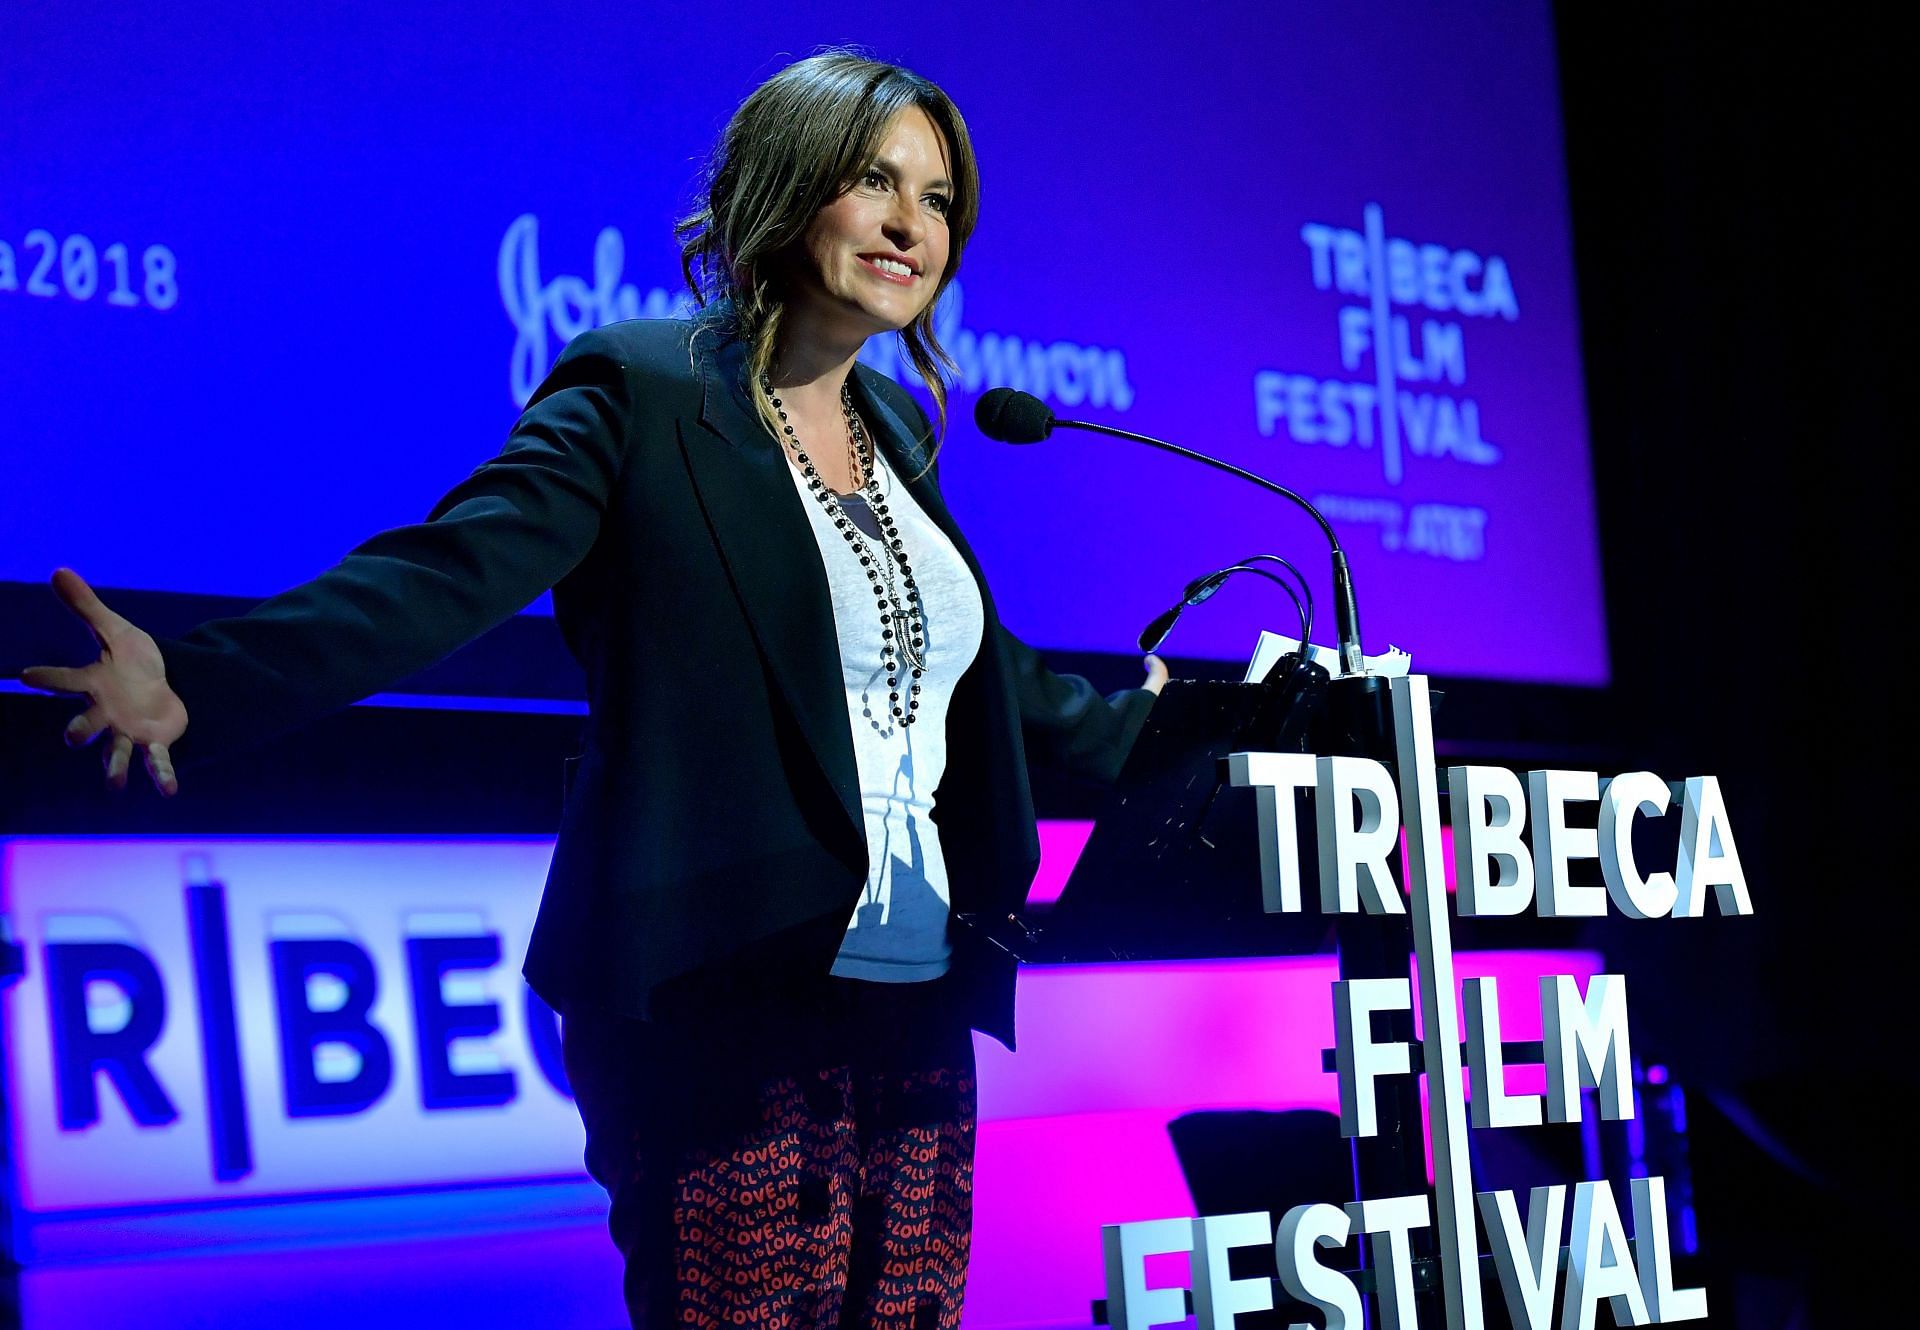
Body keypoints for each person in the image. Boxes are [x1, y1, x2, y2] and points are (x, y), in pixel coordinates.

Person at [20, 51, 1166, 1329]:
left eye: (940, 198)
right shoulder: (644, 389)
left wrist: (1193, 726)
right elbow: (451, 570)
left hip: (914, 1001)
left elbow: (974, 675)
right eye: (872, 182)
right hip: (719, 991)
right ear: (785, 192)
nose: (913, 225)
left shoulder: (898, 430)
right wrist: (197, 683)